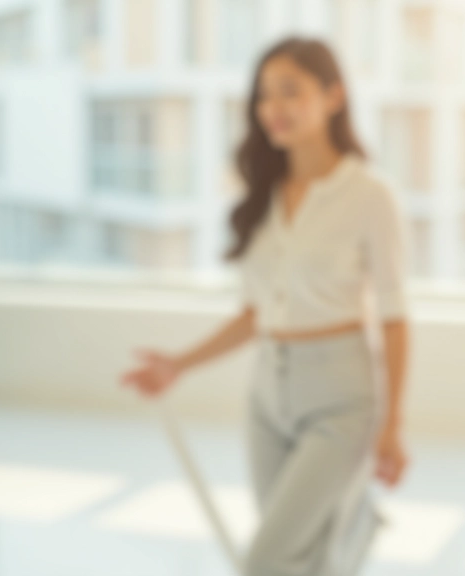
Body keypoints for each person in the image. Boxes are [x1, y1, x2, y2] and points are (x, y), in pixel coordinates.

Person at [120, 35, 411, 576]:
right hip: (266, 397)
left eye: (290, 91)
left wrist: (392, 424)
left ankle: (353, 521)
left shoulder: (370, 195)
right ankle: (353, 527)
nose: (273, 108)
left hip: (340, 400)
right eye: (263, 95)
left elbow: (394, 317)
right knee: (303, 558)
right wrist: (176, 365)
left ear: (333, 97)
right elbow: (255, 314)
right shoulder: (263, 193)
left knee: (267, 559)